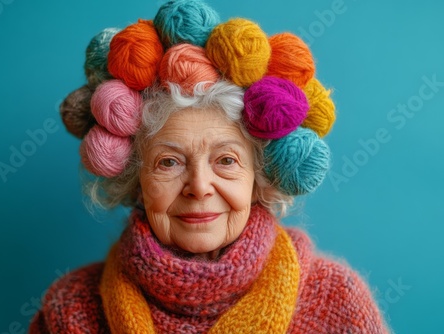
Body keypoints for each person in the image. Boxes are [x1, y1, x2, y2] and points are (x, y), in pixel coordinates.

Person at [29, 1, 389, 333]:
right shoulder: (70, 308)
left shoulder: (339, 302)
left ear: (258, 176)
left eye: (226, 160)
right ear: (134, 178)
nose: (199, 186)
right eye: (169, 162)